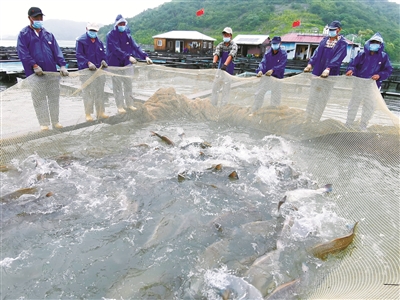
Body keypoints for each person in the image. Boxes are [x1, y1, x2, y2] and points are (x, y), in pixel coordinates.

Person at [17, 7, 69, 131]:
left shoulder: (48, 35)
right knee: (39, 99)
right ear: (29, 18)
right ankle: (44, 124)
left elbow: (57, 51)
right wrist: (34, 65)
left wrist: (62, 65)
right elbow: (22, 53)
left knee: (53, 98)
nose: (39, 19)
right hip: (35, 74)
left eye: (40, 17)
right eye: (36, 17)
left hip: (51, 73)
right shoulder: (23, 34)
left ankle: (55, 121)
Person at [345, 32, 393, 130]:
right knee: (354, 104)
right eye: (373, 42)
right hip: (359, 84)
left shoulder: (383, 57)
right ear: (369, 43)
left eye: (377, 43)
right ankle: (348, 123)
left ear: (380, 45)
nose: (374, 44)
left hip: (373, 85)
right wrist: (350, 70)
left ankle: (363, 125)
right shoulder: (362, 54)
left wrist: (379, 75)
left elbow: (388, 70)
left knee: (369, 106)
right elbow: (353, 65)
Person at [106, 14, 153, 114]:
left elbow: (135, 47)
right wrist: (128, 56)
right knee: (117, 86)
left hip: (126, 64)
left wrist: (145, 57)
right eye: (120, 24)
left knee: (128, 85)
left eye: (123, 23)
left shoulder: (127, 35)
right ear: (116, 25)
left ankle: (129, 104)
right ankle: (120, 106)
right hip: (115, 64)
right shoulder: (110, 35)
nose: (122, 25)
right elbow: (115, 49)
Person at [303, 20, 347, 122]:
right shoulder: (324, 41)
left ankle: (316, 119)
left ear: (339, 30)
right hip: (317, 71)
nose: (331, 31)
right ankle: (308, 118)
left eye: (333, 30)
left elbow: (339, 57)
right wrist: (310, 64)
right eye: (330, 29)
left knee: (323, 98)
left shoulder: (342, 44)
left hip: (330, 74)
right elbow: (317, 53)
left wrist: (328, 68)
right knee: (313, 96)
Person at [76, 22, 109, 122]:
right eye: (91, 30)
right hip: (86, 71)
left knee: (100, 92)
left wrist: (104, 61)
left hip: (99, 71)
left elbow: (103, 54)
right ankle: (88, 114)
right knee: (88, 93)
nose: (93, 32)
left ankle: (100, 111)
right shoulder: (81, 41)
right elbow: (79, 55)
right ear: (87, 29)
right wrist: (88, 63)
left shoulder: (99, 41)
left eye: (95, 31)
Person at [250, 36, 287, 115]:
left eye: (276, 44)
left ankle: (273, 113)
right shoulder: (268, 53)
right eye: (273, 44)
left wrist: (273, 70)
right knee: (259, 93)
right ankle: (255, 111)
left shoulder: (283, 53)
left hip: (277, 78)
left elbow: (282, 65)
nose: (274, 45)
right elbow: (263, 63)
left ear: (280, 43)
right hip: (267, 77)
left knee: (276, 97)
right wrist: (260, 70)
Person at [211, 27, 238, 106]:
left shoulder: (234, 45)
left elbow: (231, 55)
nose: (225, 36)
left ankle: (223, 106)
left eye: (227, 34)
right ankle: (214, 105)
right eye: (224, 34)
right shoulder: (220, 45)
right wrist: (214, 62)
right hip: (220, 70)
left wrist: (225, 65)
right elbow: (217, 53)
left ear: (231, 35)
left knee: (226, 90)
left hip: (228, 70)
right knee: (215, 88)